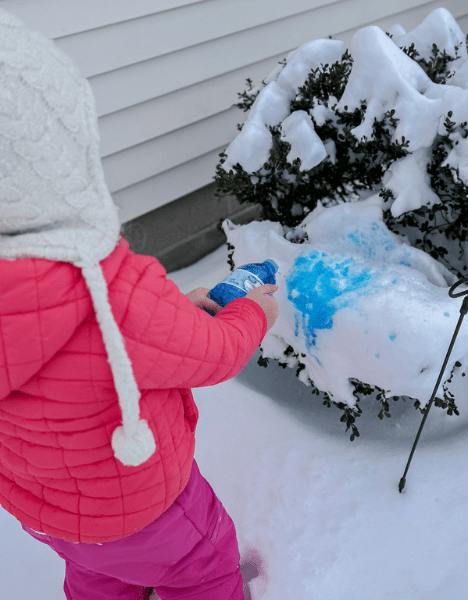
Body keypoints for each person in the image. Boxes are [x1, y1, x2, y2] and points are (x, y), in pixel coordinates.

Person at [0, 8, 278, 600]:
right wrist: (254, 314)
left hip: (44, 512)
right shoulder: (112, 291)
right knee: (203, 568)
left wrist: (167, 316)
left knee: (97, 571)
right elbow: (216, 353)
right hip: (145, 509)